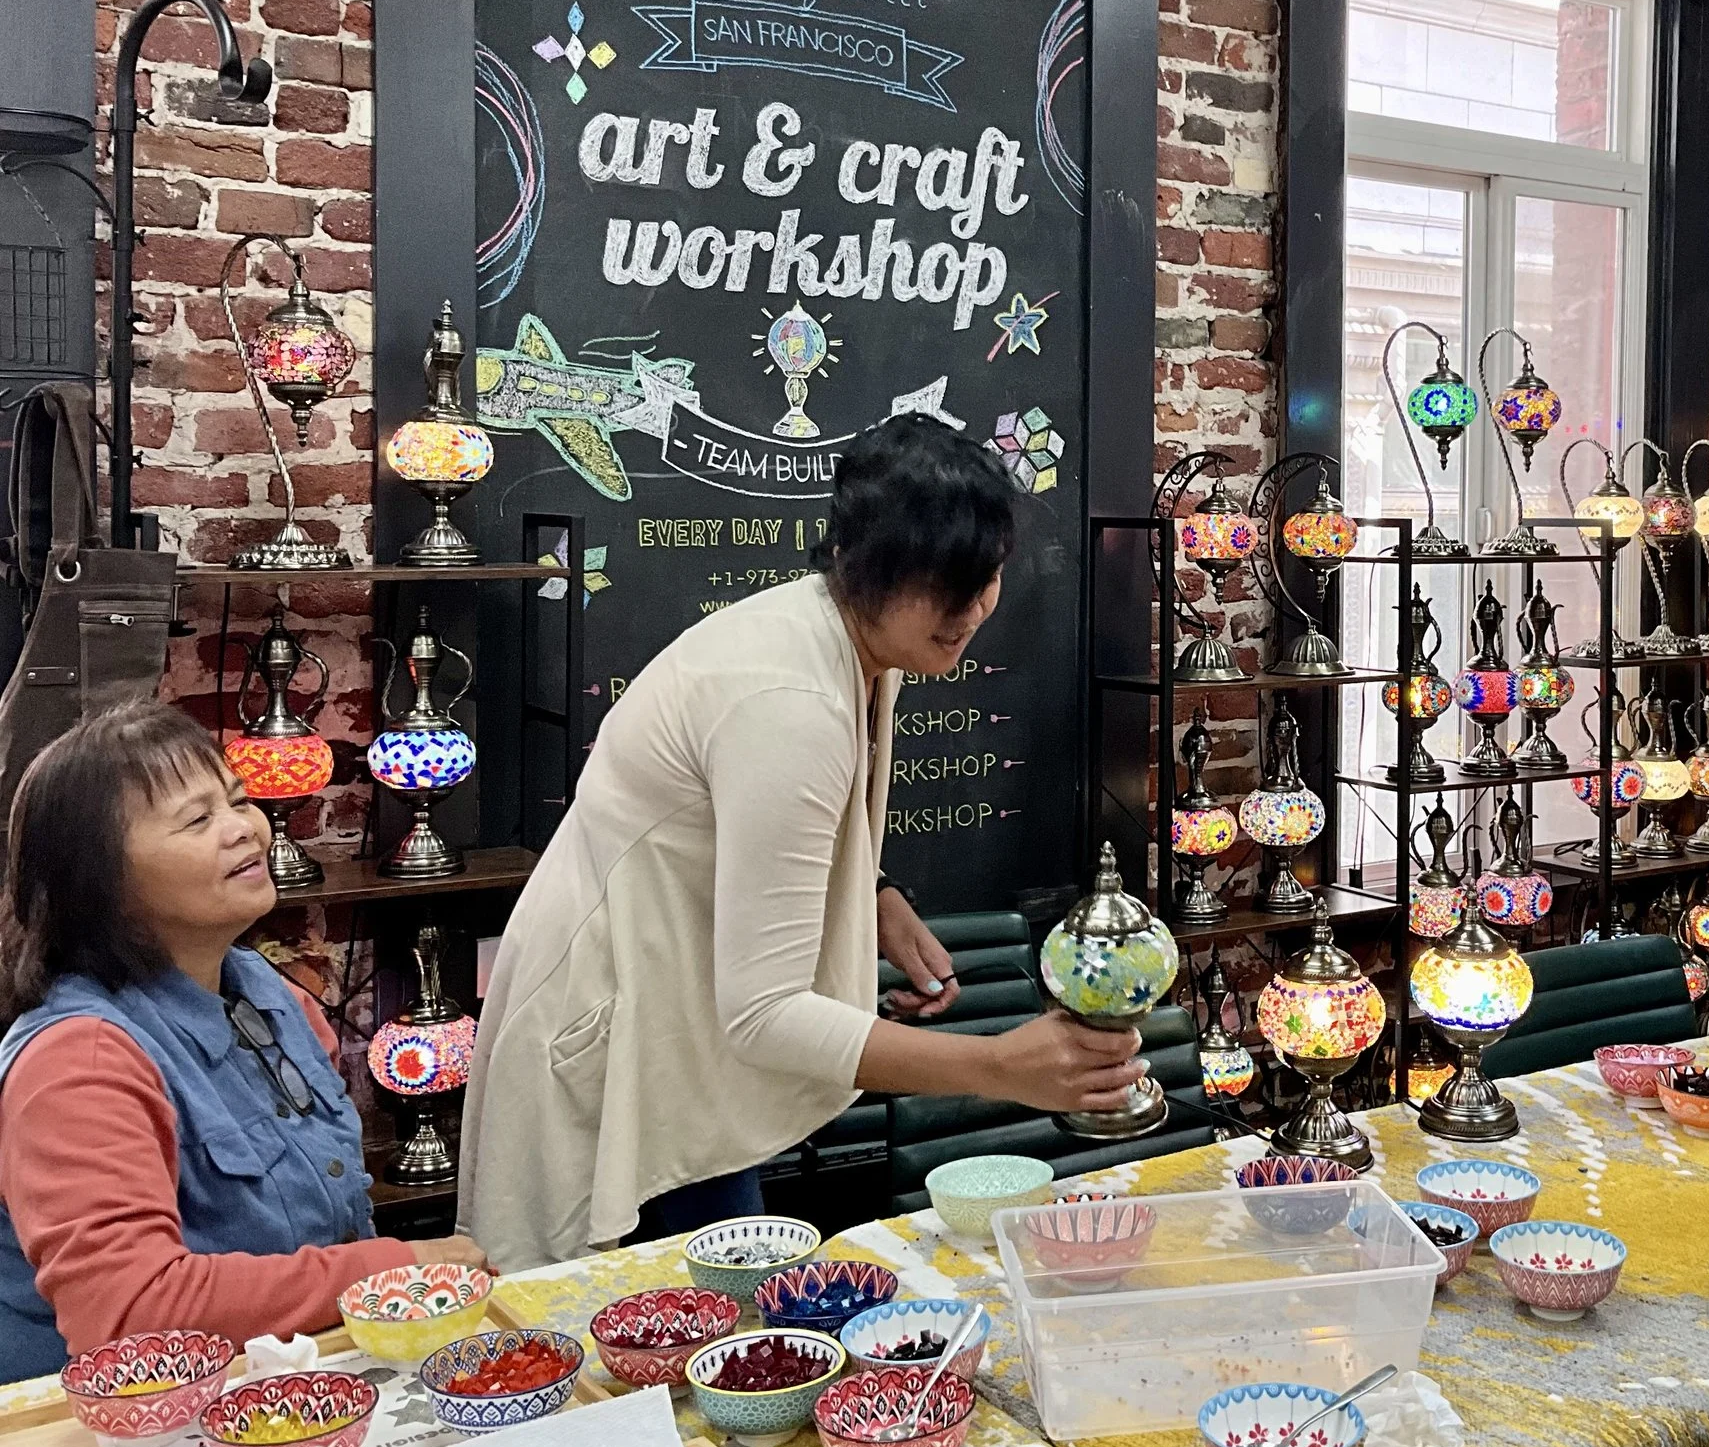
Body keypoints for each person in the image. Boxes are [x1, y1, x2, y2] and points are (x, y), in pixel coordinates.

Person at [460, 415, 1144, 1269]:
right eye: (945, 583)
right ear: (865, 565)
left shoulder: (850, 640)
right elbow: (765, 1017)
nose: (971, 609)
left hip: (679, 1032)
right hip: (622, 1047)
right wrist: (1000, 1066)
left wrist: (875, 899)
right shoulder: (790, 698)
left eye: (987, 576)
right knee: (664, 1347)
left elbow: (744, 828)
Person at [0, 705, 489, 1380]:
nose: (244, 829)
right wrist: (389, 1269)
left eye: (236, 801)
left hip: (290, 1382)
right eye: (197, 820)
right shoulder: (76, 1060)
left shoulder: (260, 985)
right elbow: (126, 1311)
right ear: (98, 878)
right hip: (119, 1437)